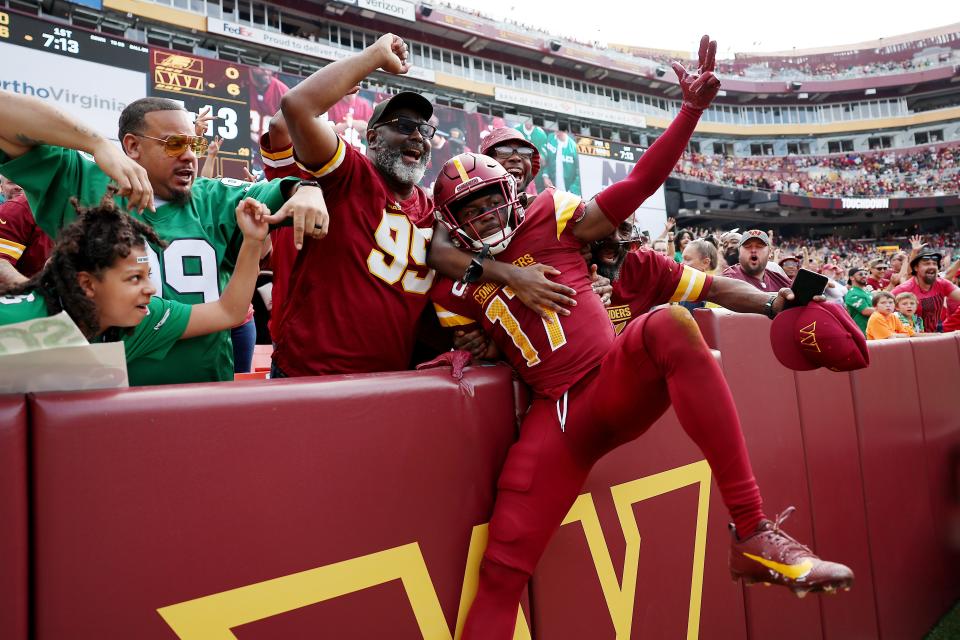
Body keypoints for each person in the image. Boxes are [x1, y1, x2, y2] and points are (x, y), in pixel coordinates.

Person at [428, 36, 852, 638]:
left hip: (609, 380)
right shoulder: (451, 283)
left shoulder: (555, 216)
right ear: (451, 222)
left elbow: (637, 187)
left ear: (515, 193)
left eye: (491, 201)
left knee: (674, 326)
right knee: (500, 572)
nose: (486, 217)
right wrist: (491, 316)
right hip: (556, 418)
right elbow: (462, 306)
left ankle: (752, 529)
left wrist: (690, 113)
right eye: (469, 211)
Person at [0, 90, 326, 385]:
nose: (189, 156)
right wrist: (95, 144)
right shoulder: (82, 179)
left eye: (192, 145)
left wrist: (307, 190)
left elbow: (283, 191)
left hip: (203, 392)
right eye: (174, 144)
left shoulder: (215, 197)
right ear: (132, 146)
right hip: (99, 393)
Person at [0, 190, 270, 383]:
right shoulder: (14, 319)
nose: (151, 288)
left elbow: (229, 312)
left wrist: (253, 241)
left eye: (148, 275)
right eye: (134, 278)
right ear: (87, 284)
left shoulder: (142, 319)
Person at [891, 248, 960, 333]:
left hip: (934, 334)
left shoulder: (942, 284)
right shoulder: (904, 289)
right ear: (916, 268)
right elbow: (881, 309)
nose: (931, 266)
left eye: (934, 264)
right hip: (910, 340)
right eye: (926, 264)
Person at [0, 190, 52, 285]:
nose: (18, 187)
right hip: (26, 293)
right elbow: (1, 262)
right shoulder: (17, 209)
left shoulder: (81, 204)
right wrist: (35, 290)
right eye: (11, 182)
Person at [722, 229, 792, 292]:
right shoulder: (729, 277)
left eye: (759, 246)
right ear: (740, 251)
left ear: (769, 252)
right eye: (748, 246)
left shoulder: (776, 272)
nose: (753, 250)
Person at [543, 123, 580, 195]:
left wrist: (572, 191)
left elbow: (579, 173)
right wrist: (545, 176)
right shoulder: (550, 138)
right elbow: (546, 161)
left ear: (566, 132)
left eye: (559, 131)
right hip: (552, 191)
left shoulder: (573, 148)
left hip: (568, 193)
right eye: (555, 131)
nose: (556, 133)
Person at [845, 266, 874, 335]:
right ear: (851, 278)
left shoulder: (866, 292)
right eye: (860, 274)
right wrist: (885, 309)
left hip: (872, 328)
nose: (864, 276)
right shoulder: (853, 293)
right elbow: (866, 311)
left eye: (865, 274)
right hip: (862, 331)